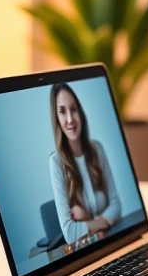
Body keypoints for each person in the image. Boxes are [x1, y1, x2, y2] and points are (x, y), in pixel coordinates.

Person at [48, 83, 122, 244]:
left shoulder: (96, 149)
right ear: (56, 119)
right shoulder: (56, 163)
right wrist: (103, 221)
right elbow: (69, 233)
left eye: (73, 109)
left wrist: (87, 219)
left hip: (108, 244)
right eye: (62, 111)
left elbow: (116, 206)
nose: (69, 119)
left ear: (80, 112)